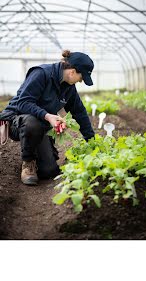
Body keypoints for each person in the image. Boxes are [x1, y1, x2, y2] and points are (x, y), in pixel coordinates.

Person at [0, 50, 95, 185]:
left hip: (40, 125)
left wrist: (92, 141)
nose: (80, 81)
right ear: (72, 72)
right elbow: (23, 103)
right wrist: (48, 116)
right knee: (32, 123)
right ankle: (28, 163)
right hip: (18, 121)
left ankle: (38, 155)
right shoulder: (41, 73)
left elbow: (80, 113)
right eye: (81, 78)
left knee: (49, 171)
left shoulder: (69, 88)